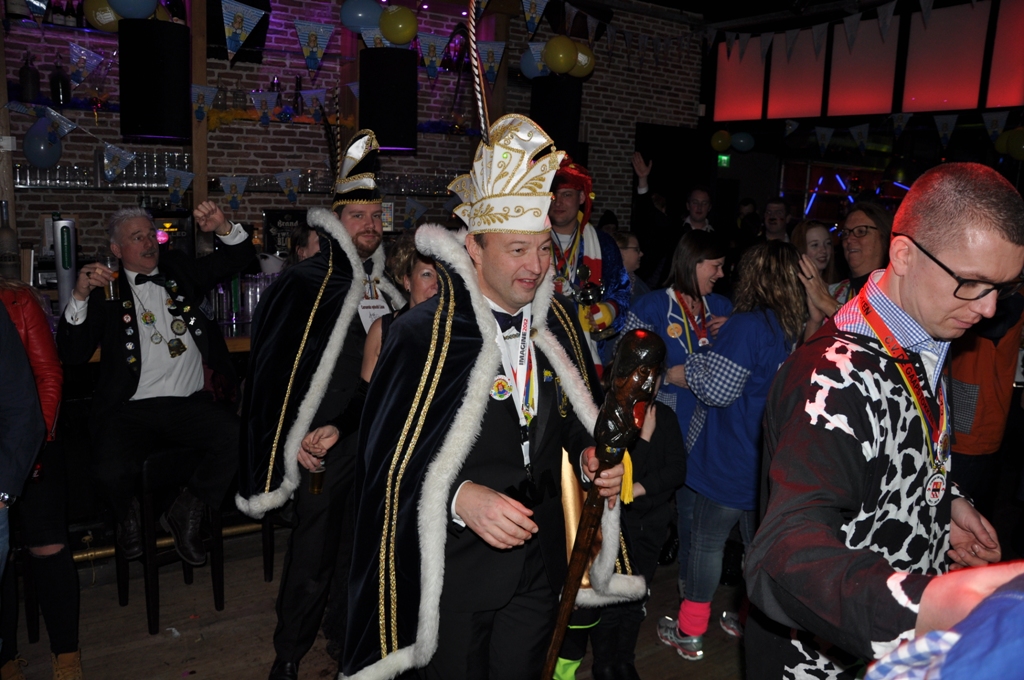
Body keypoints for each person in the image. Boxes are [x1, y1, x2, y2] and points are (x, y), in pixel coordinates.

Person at [341, 114, 638, 680]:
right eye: (517, 250)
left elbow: (572, 419)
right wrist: (458, 498)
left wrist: (589, 454)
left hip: (539, 561)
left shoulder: (558, 324)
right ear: (474, 249)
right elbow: (383, 463)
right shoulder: (420, 336)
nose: (536, 267)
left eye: (543, 249)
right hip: (454, 572)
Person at [744, 162, 1024, 678]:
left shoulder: (924, 333)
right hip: (823, 661)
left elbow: (883, 452)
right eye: (972, 282)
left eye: (1001, 289)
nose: (988, 309)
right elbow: (781, 555)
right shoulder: (831, 375)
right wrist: (926, 607)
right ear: (904, 255)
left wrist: (942, 504)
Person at [236, 130, 404, 680]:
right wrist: (288, 444)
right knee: (313, 554)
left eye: (376, 216)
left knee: (361, 549)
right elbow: (271, 377)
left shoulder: (390, 287)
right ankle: (289, 653)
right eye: (358, 216)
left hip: (376, 442)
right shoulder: (305, 283)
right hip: (323, 444)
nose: (369, 225)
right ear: (334, 220)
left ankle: (345, 638)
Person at [57, 203, 253, 568]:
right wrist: (79, 296)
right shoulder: (106, 288)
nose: (149, 243)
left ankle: (187, 508)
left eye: (151, 235)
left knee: (238, 437)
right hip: (132, 409)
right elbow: (73, 353)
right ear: (116, 249)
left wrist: (222, 226)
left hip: (189, 402)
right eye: (137, 238)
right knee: (107, 469)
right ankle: (127, 516)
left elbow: (238, 259)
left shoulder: (178, 268)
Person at [657, 240, 805, 662]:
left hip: (728, 456)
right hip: (764, 458)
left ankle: (690, 632)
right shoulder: (789, 325)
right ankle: (748, 619)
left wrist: (689, 368)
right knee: (756, 547)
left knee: (706, 544)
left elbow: (718, 390)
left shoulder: (748, 325)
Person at [622, 230, 732, 601]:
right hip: (667, 428)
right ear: (693, 263)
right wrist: (666, 374)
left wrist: (732, 332)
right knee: (660, 509)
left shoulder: (723, 308)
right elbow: (628, 361)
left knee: (696, 514)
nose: (721, 274)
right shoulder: (651, 306)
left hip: (713, 429)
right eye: (715, 266)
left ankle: (691, 590)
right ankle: (639, 588)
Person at [0, 279, 84, 680]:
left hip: (31, 438)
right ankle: (5, 659)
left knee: (47, 546)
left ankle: (67, 657)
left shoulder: (17, 300)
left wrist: (36, 443)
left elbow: (48, 374)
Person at [548, 156, 631, 374]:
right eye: (553, 195)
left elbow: (621, 291)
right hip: (538, 347)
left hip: (586, 352)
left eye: (567, 195)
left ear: (582, 197)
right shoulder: (529, 240)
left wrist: (609, 311)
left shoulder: (603, 244)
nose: (558, 202)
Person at [947, 292, 1024, 519]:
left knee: (960, 511)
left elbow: (991, 325)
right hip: (959, 416)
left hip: (976, 427)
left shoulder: (1009, 301)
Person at [360, 228, 437, 380]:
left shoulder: (460, 330)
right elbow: (365, 391)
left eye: (442, 277)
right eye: (427, 274)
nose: (436, 285)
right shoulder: (384, 330)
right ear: (407, 282)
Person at [791, 219, 838, 341]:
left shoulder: (840, 289)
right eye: (815, 245)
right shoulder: (789, 292)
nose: (823, 250)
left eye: (827, 243)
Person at [612, 231, 648, 304]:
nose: (641, 254)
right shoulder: (602, 283)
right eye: (636, 250)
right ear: (620, 251)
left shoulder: (638, 284)